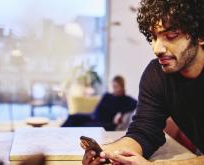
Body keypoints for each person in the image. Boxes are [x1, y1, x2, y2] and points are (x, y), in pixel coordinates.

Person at [82, 0, 204, 164]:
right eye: (153, 37)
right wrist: (108, 154)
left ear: (200, 35)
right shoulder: (157, 74)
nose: (157, 49)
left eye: (171, 36)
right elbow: (144, 131)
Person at [62, 75, 137, 131]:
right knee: (72, 117)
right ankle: (57, 134)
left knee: (80, 127)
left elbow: (136, 103)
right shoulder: (107, 95)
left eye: (116, 86)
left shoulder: (126, 99)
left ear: (122, 86)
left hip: (105, 124)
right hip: (92, 117)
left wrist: (121, 112)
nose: (114, 89)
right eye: (113, 86)